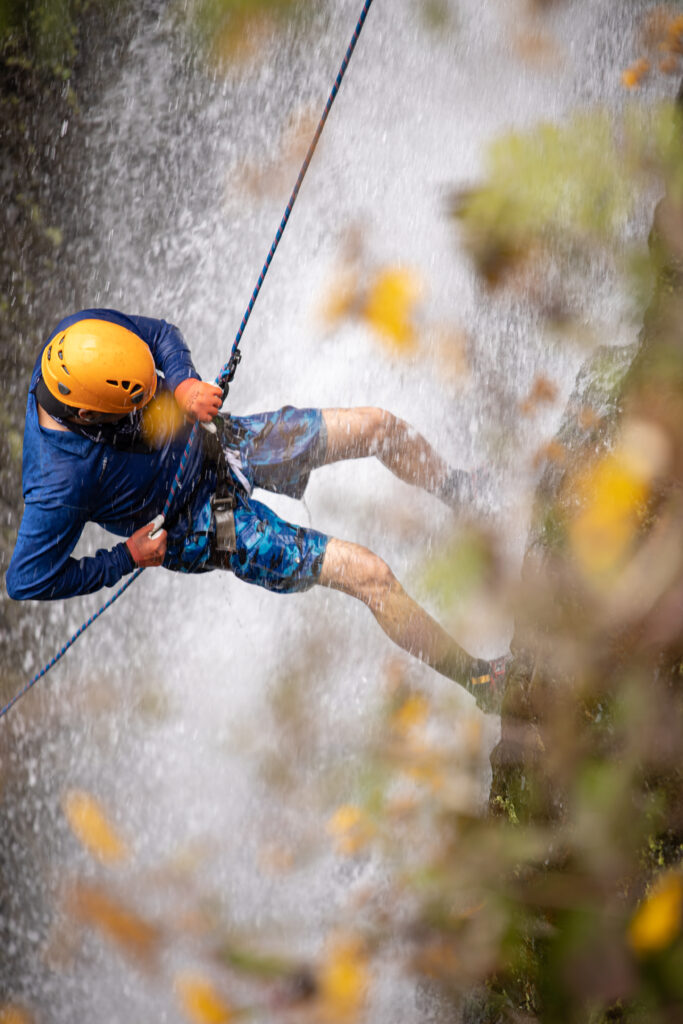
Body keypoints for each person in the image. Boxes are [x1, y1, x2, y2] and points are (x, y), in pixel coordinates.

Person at [6, 309, 508, 708]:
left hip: (215, 439)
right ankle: (482, 680)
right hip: (201, 525)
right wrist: (125, 558)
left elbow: (159, 334)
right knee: (369, 574)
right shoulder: (58, 483)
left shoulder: (86, 339)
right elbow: (27, 579)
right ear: (91, 417)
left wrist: (182, 384)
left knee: (378, 425)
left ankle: (461, 493)